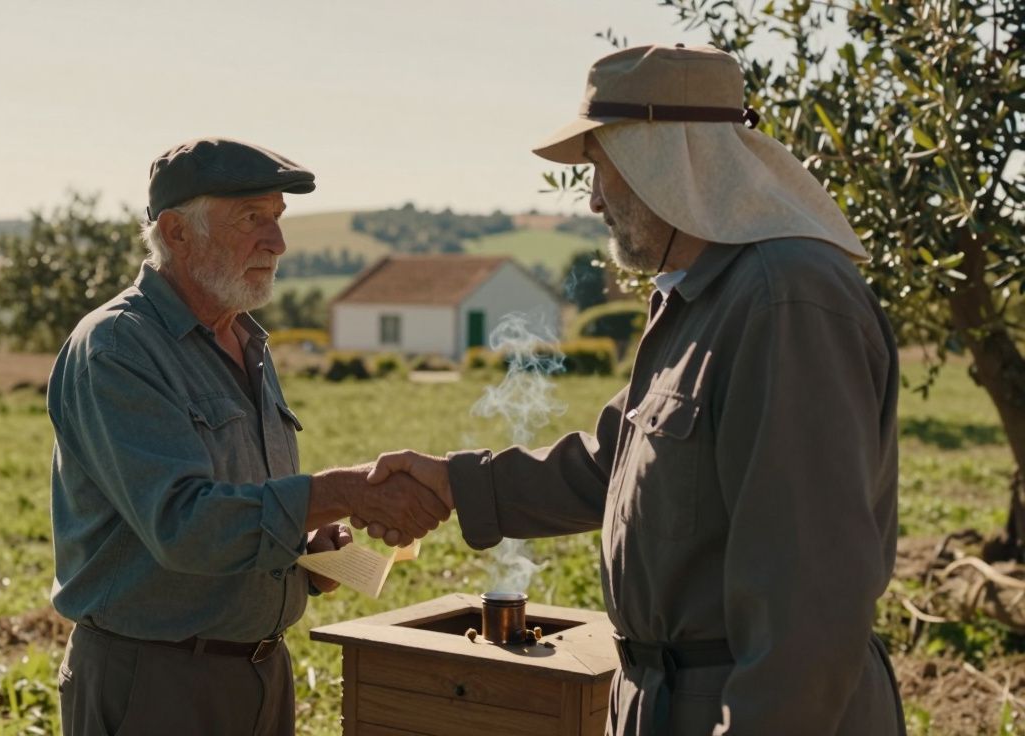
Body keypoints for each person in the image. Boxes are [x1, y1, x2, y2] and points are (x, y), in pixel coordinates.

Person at [367, 45, 905, 735]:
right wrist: (450, 482)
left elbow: (810, 598)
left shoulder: (784, 300)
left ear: (666, 161)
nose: (592, 198)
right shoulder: (704, 297)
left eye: (602, 168)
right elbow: (613, 463)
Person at [47, 137, 449, 736]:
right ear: (176, 233)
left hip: (260, 675)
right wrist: (344, 491)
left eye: (278, 219)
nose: (277, 242)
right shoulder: (117, 347)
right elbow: (185, 525)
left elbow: (242, 505)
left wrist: (308, 548)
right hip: (155, 685)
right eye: (251, 219)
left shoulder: (245, 341)